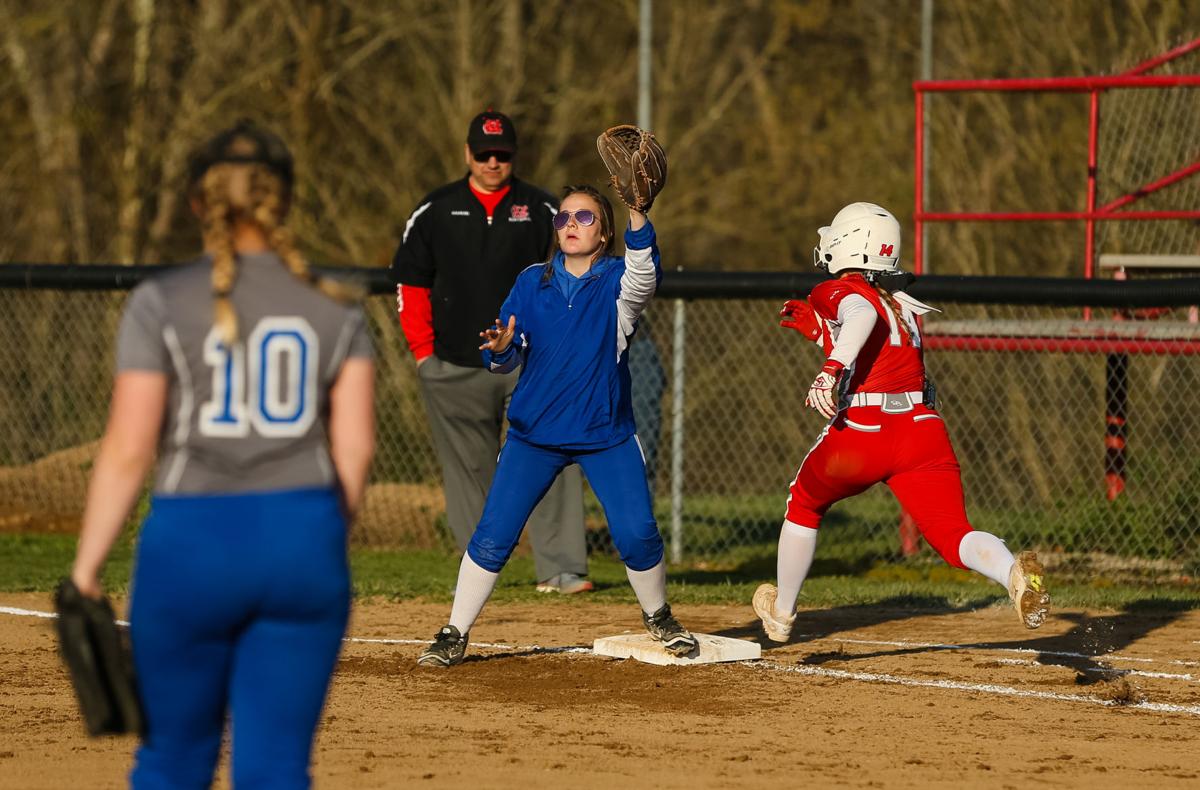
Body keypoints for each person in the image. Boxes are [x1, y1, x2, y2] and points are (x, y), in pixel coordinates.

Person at [68, 121, 375, 787]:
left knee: (173, 760)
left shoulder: (161, 300)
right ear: (283, 200)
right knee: (276, 767)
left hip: (193, 541)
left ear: (197, 203)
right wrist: (320, 536)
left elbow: (129, 448)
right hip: (302, 539)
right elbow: (354, 449)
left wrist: (87, 568)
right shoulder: (338, 305)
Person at [417, 184, 697, 666]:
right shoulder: (532, 282)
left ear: (604, 233)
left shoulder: (617, 283)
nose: (570, 224)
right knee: (494, 535)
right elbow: (506, 358)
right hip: (535, 436)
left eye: (584, 218)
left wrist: (637, 212)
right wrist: (502, 348)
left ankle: (659, 616)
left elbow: (644, 275)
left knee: (637, 533)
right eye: (563, 217)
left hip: (605, 434)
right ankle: (454, 632)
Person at [753, 202, 1050, 642]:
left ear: (851, 244)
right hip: (921, 429)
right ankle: (1012, 573)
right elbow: (878, 344)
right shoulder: (901, 301)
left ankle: (782, 614)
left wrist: (829, 369)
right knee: (953, 534)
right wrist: (823, 335)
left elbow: (861, 315)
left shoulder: (838, 289)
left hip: (866, 429)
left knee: (804, 504)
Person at [391, 110, 591, 594]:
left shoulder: (543, 209)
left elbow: (573, 278)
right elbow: (410, 284)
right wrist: (423, 354)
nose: (492, 162)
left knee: (551, 456)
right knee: (470, 473)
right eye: (483, 153)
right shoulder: (436, 209)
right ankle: (479, 572)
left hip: (532, 365)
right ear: (468, 153)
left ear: (514, 155)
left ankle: (561, 568)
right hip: (454, 363)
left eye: (501, 154)